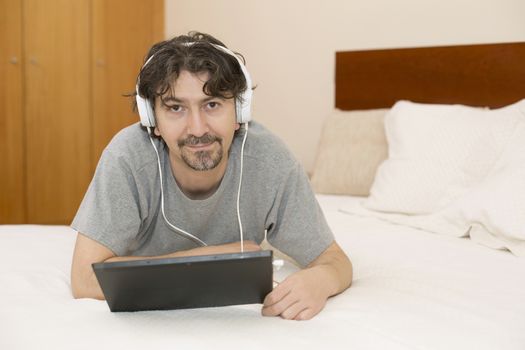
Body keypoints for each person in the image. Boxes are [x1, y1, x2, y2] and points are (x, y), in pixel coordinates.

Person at [70, 31, 352, 320]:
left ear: (239, 111)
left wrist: (320, 281)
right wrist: (219, 256)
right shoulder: (127, 158)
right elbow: (84, 280)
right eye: (176, 108)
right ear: (152, 120)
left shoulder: (270, 160)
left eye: (212, 104)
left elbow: (335, 262)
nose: (197, 128)